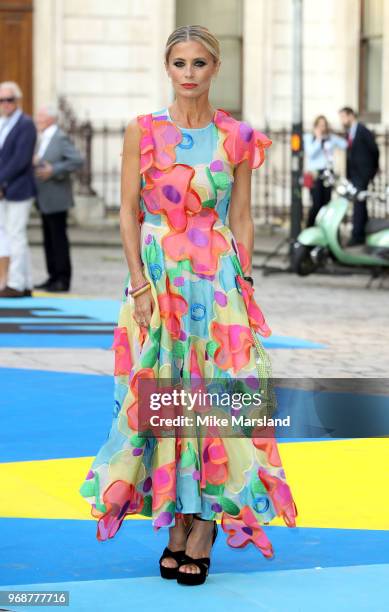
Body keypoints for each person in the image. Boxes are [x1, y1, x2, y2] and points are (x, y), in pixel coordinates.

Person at [79, 25, 297, 586]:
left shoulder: (238, 136)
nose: (190, 73)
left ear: (214, 68)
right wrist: (139, 284)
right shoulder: (142, 131)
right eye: (180, 63)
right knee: (162, 398)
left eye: (200, 63)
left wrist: (244, 284)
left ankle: (202, 528)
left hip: (217, 282)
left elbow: (242, 216)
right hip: (159, 277)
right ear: (168, 67)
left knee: (219, 398)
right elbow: (128, 212)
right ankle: (176, 518)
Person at [33, 104, 84, 292]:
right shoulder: (42, 137)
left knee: (58, 238)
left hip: (57, 198)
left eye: (40, 116)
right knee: (48, 239)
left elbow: (77, 160)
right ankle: (52, 276)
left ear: (50, 119)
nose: (37, 119)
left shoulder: (59, 137)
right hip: (44, 197)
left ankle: (62, 279)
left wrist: (53, 170)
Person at [0, 81, 37, 297]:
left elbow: (20, 160)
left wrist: (1, 181)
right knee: (8, 234)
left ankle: (15, 282)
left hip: (19, 188)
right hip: (5, 189)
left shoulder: (25, 124)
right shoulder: (3, 123)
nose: (5, 104)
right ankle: (25, 282)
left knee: (16, 234)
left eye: (9, 100)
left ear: (18, 101)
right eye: (2, 100)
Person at [339, 106, 380, 246]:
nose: (342, 120)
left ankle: (357, 236)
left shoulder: (362, 130)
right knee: (360, 203)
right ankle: (362, 232)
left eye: (343, 117)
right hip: (354, 174)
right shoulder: (349, 132)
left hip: (362, 174)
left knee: (358, 204)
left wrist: (372, 170)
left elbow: (374, 150)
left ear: (351, 116)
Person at [304, 115, 347, 227]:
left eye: (324, 125)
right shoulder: (309, 138)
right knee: (316, 204)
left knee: (326, 204)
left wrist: (334, 135)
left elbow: (345, 144)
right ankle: (309, 228)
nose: (322, 128)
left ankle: (322, 229)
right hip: (315, 174)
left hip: (327, 173)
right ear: (315, 126)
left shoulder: (330, 138)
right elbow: (311, 153)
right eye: (320, 125)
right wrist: (318, 139)